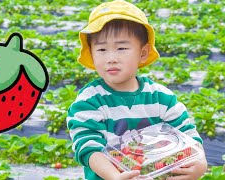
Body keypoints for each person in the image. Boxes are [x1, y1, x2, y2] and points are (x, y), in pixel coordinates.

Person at [66, 0, 207, 179]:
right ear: (92, 54)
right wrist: (114, 176)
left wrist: (200, 164)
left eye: (121, 48)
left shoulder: (161, 98)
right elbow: (88, 148)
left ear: (142, 53)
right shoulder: (89, 101)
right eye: (101, 49)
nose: (111, 58)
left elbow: (188, 135)